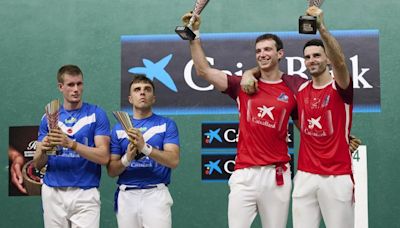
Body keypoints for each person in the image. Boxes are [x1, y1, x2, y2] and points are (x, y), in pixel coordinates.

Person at [241, 6, 357, 228]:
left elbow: (341, 63)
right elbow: (267, 72)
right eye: (307, 57)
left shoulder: (340, 87)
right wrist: (248, 73)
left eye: (317, 56)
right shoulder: (299, 89)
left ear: (327, 60)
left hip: (337, 176)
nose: (311, 60)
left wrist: (321, 28)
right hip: (305, 176)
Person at [182, 13, 297, 228]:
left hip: (277, 176)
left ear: (280, 53)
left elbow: (307, 124)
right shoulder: (241, 86)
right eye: (258, 51)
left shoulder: (292, 86)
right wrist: (194, 36)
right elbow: (203, 71)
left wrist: (342, 138)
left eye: (268, 49)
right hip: (244, 175)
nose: (262, 54)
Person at [33, 64, 111, 228]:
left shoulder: (96, 114)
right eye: (70, 85)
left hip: (85, 192)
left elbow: (104, 156)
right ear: (61, 87)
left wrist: (71, 144)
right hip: (52, 192)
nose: (76, 89)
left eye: (79, 84)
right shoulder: (48, 117)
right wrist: (43, 149)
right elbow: (38, 164)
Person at [107, 75, 180, 228]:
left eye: (147, 90)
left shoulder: (166, 125)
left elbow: (173, 160)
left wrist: (145, 148)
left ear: (153, 98)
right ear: (130, 98)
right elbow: (112, 171)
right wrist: (127, 158)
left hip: (156, 194)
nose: (142, 93)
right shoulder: (118, 129)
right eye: (137, 90)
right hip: (126, 195)